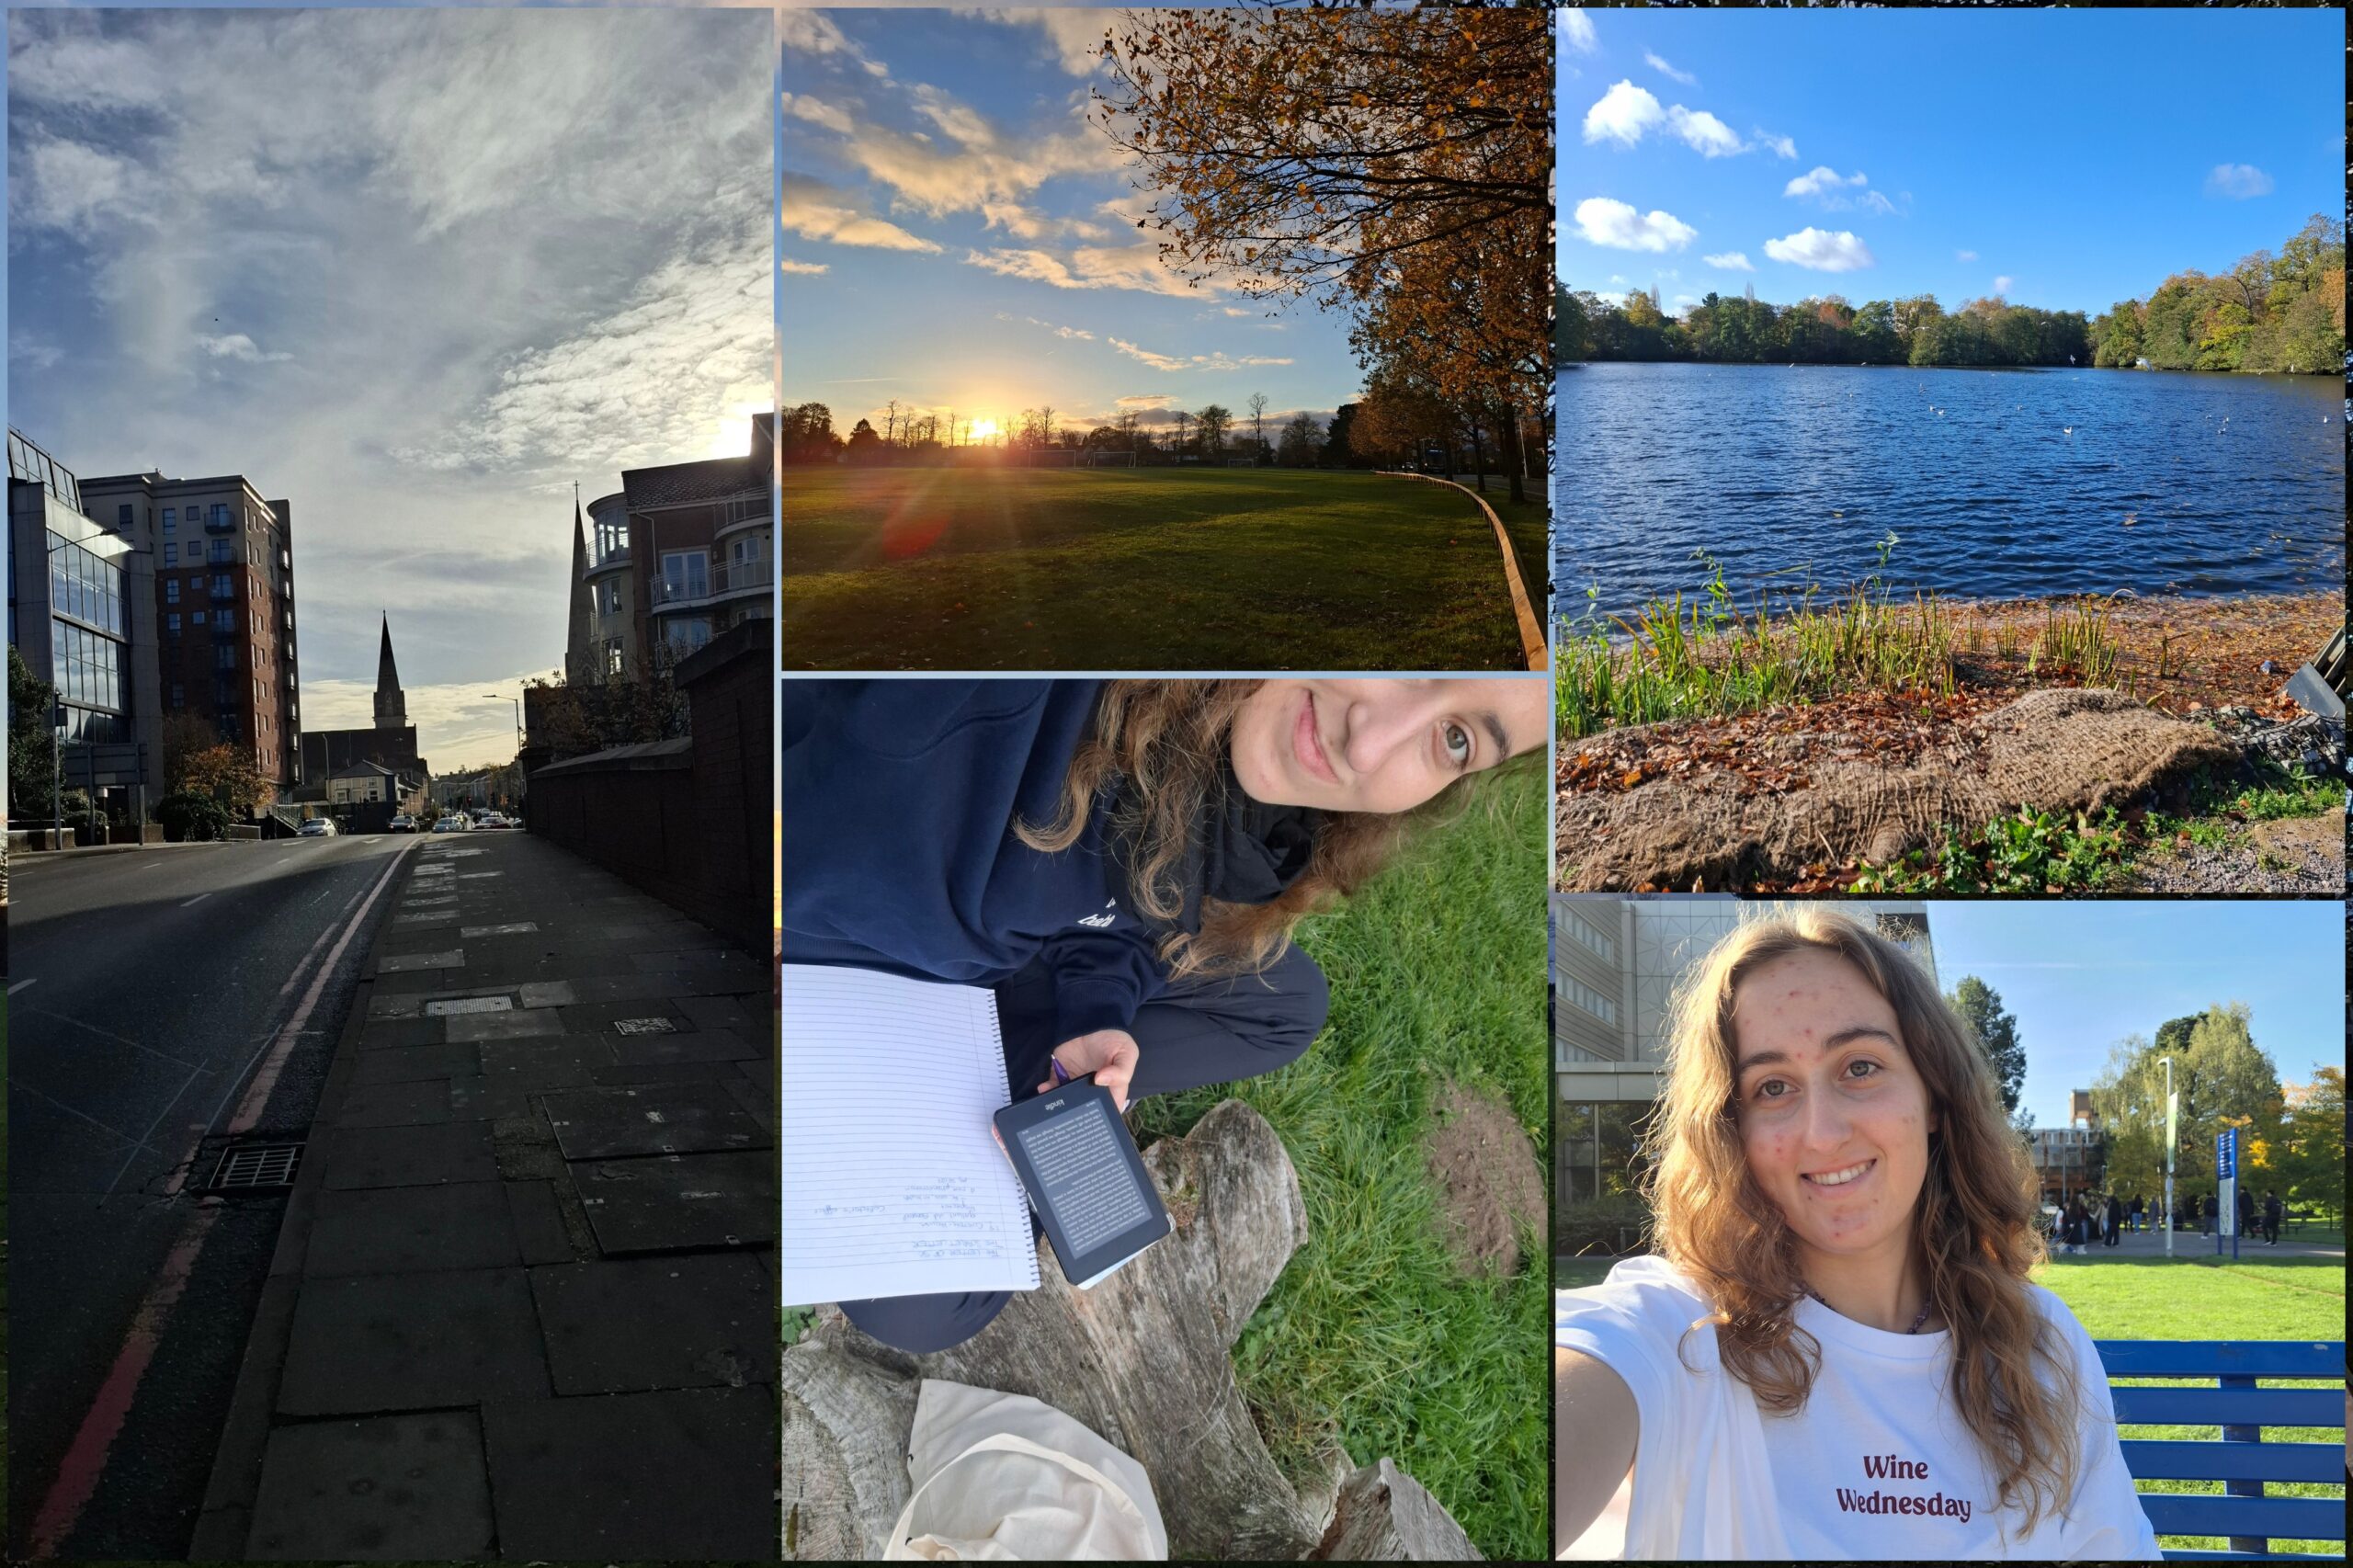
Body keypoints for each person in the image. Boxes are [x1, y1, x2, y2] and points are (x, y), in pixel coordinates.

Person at [780, 678, 1550, 1353]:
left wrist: (1097, 1011)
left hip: (1003, 951)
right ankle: (1000, 1107)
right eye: (1406, 659)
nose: (1370, 744)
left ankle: (1035, 1091)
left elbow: (1126, 912)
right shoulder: (977, 705)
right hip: (861, 976)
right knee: (931, 1307)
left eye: (1455, 739)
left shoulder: (1249, 795)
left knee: (1287, 1004)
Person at [1553, 909, 2161, 1560]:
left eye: (1860, 1067)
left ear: (1932, 1095)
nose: (1822, 1132)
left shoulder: (2042, 1342)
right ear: (1733, 1131)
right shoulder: (1676, 1333)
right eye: (1773, 1086)